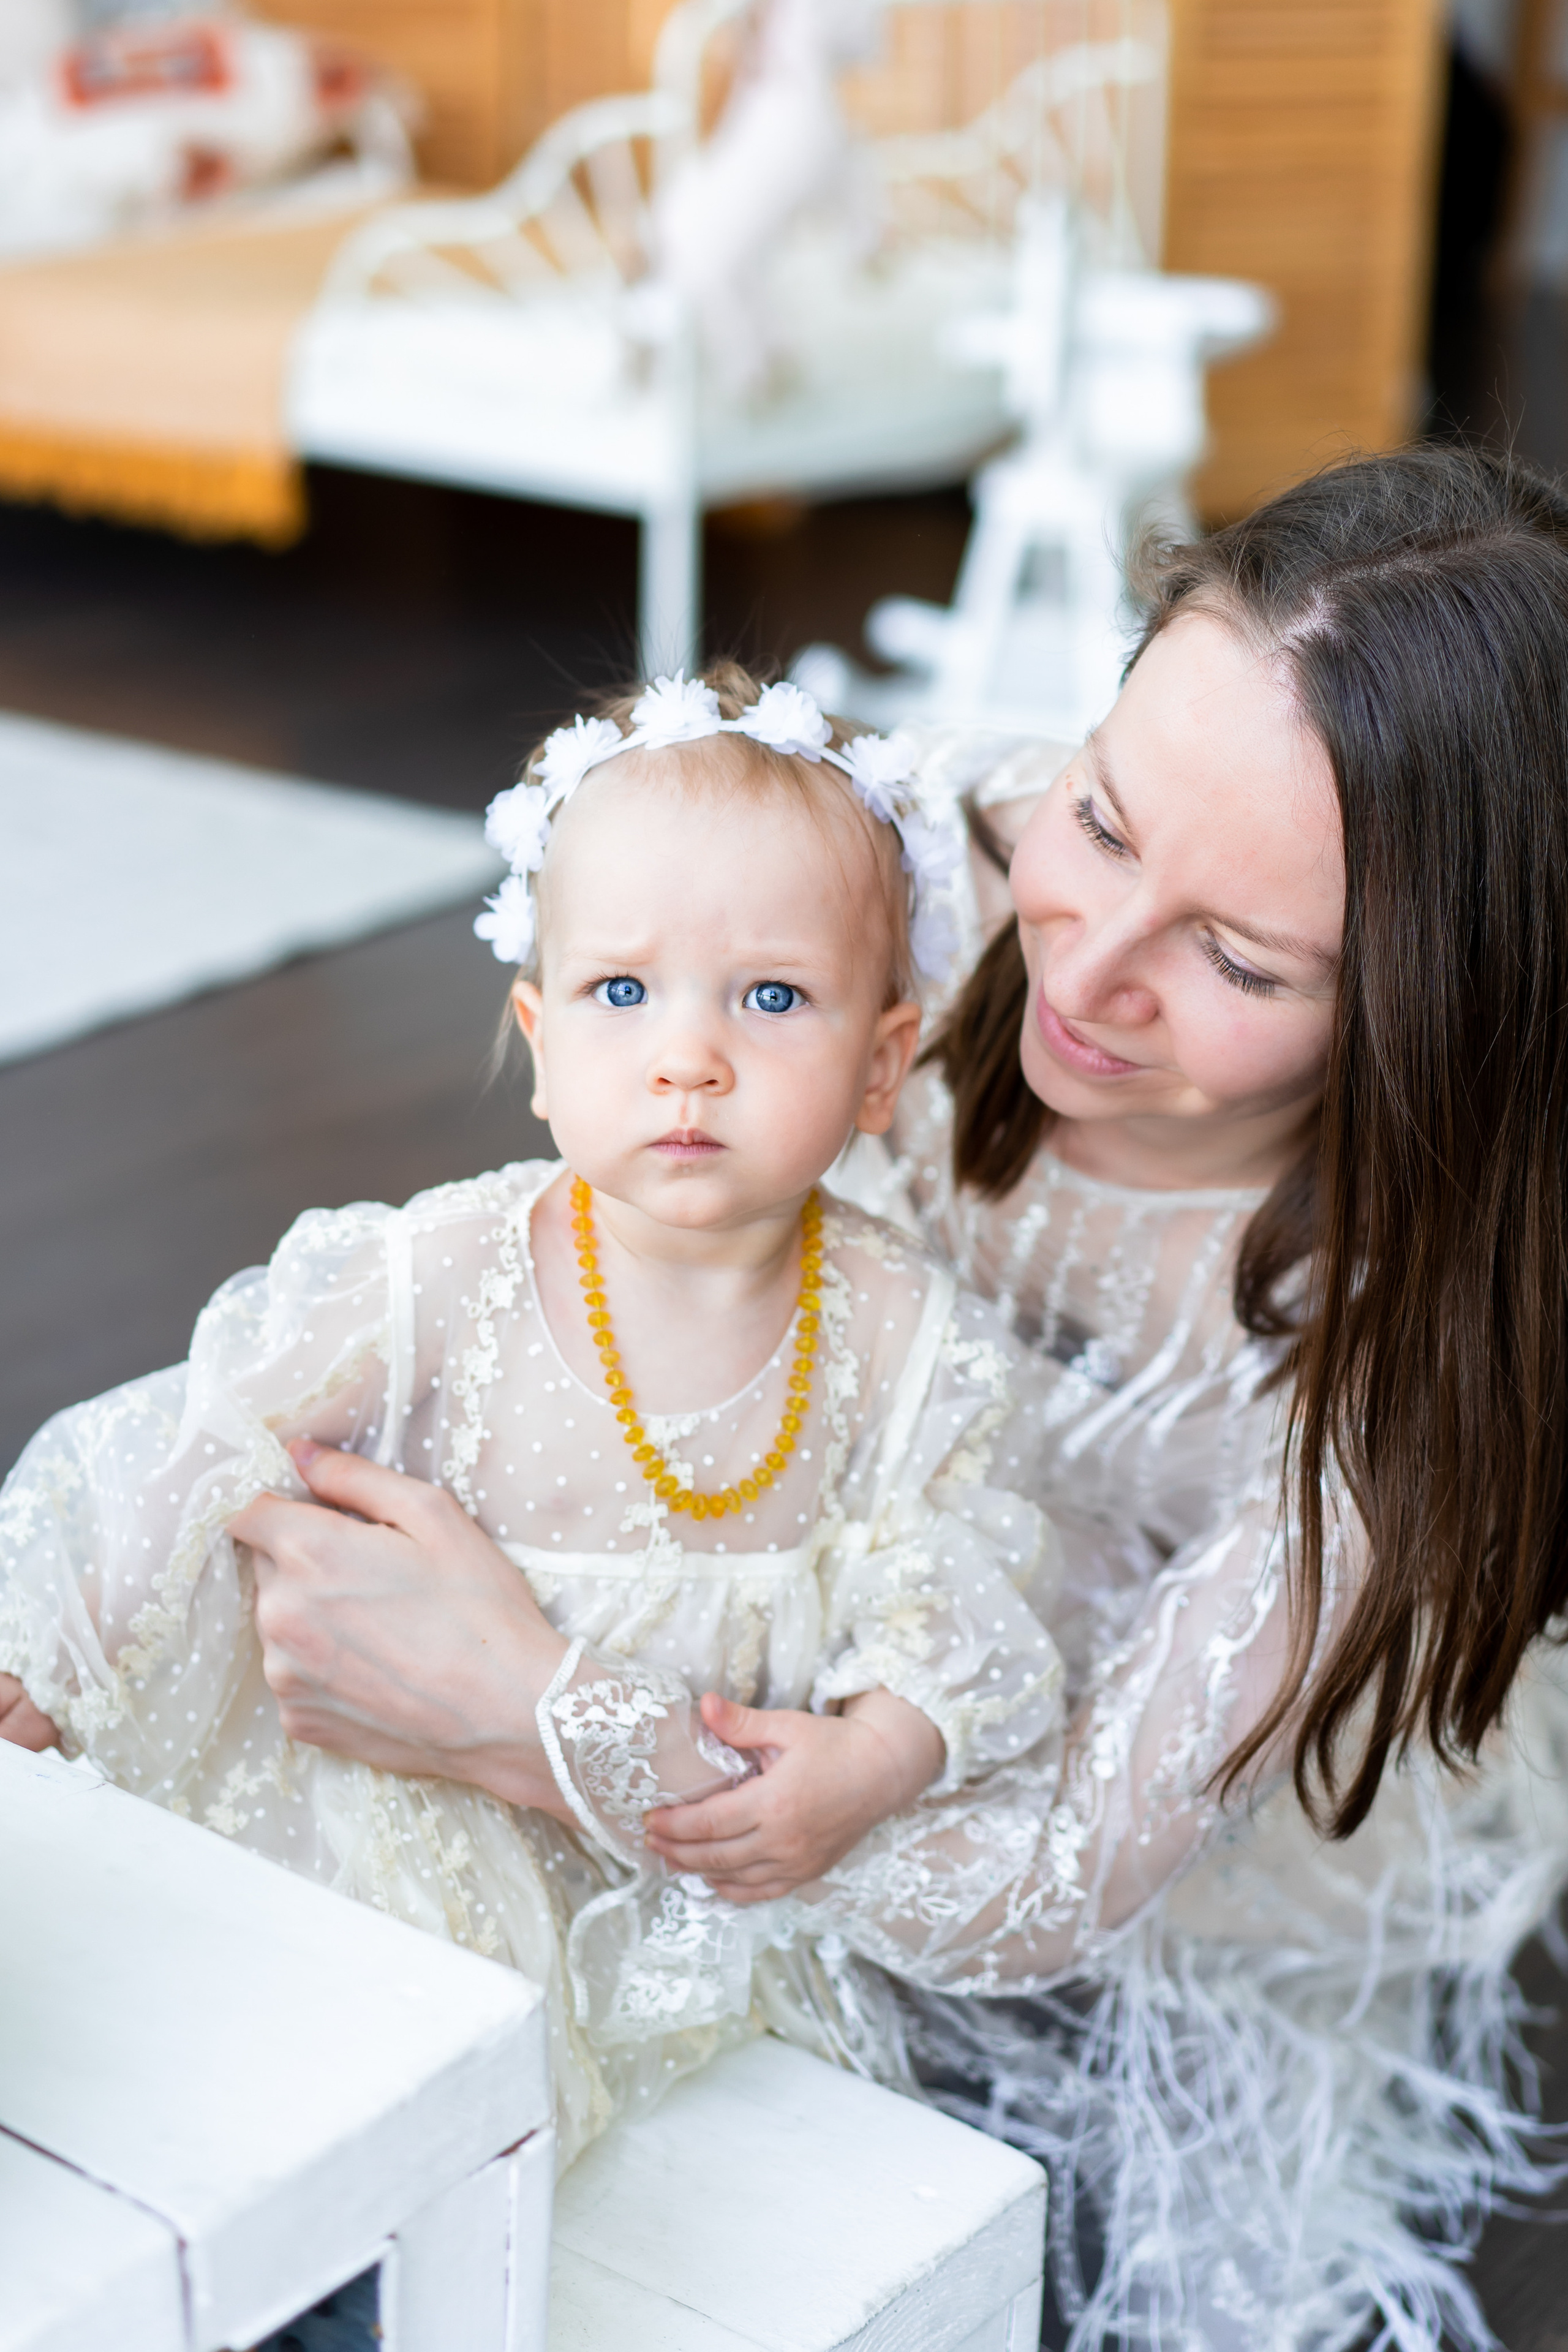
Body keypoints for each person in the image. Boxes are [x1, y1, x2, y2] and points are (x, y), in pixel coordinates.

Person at [9, 445, 1568, 2350]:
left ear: (1426, 1014)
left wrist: (547, 1719)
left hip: (1079, 1774)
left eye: (1238, 959)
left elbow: (1041, 1882)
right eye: (1100, 817)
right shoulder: (913, 874)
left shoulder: (1399, 1374)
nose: (1087, 967)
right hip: (764, 1539)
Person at [0, 663, 1065, 2169]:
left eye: (770, 997)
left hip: (684, 1882)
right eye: (620, 993)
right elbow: (200, 1441)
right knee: (382, 2117)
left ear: (881, 1063)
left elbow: (956, 1579)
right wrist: (47, 1652)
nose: (688, 1057)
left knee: (718, 2175)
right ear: (542, 1039)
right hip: (420, 1836)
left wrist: (882, 1752)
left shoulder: (904, 1335)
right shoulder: (443, 1269)